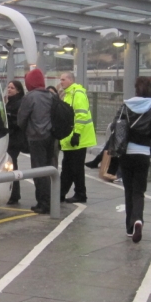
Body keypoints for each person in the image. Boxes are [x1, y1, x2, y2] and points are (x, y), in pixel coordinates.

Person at [115, 76, 151, 243]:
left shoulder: (125, 106)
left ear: (135, 89)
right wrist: (149, 149)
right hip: (143, 154)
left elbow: (116, 126)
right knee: (139, 191)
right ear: (150, 90)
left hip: (126, 153)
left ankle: (129, 227)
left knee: (128, 189)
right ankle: (138, 220)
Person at [17, 68, 56, 214]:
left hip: (36, 137)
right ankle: (50, 200)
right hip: (50, 137)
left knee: (38, 171)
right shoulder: (51, 96)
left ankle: (43, 203)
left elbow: (21, 119)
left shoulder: (30, 97)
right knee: (48, 169)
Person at [57, 72, 96, 203]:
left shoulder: (77, 94)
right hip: (71, 138)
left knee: (75, 168)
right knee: (68, 167)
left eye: (63, 79)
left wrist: (77, 134)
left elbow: (81, 115)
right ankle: (61, 193)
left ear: (70, 80)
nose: (60, 82)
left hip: (78, 138)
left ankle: (80, 193)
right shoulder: (69, 94)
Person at [4, 79, 27, 205]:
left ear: (18, 90)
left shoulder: (18, 103)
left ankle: (14, 194)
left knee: (12, 166)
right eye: (8, 87)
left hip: (15, 139)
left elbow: (17, 122)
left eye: (12, 88)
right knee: (11, 165)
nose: (9, 89)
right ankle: (13, 194)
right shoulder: (10, 102)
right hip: (12, 138)